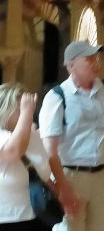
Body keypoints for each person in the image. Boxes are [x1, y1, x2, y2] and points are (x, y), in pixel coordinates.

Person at [38, 40, 104, 231]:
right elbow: (50, 150)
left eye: (97, 58)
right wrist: (63, 186)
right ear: (71, 65)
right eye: (89, 59)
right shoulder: (57, 96)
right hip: (72, 177)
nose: (96, 63)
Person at [0, 84, 51, 230]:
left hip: (38, 216)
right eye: (19, 107)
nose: (27, 109)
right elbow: (14, 151)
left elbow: (43, 174)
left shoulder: (33, 136)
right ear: (5, 110)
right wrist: (27, 112)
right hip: (7, 219)